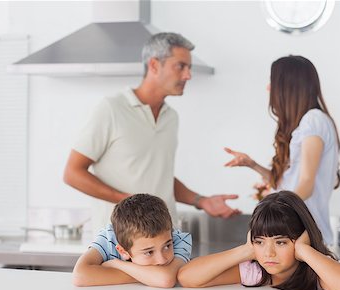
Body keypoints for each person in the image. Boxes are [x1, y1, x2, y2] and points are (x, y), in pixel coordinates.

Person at [64, 32, 240, 235]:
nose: (188, 75)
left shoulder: (171, 117)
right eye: (181, 66)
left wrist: (202, 201)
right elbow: (73, 173)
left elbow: (160, 176)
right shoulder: (112, 109)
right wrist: (130, 203)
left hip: (164, 239)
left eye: (189, 68)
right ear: (155, 65)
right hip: (120, 241)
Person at [224, 55, 340, 245]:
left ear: (288, 86)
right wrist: (252, 164)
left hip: (307, 237)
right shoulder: (305, 123)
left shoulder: (314, 120)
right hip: (298, 235)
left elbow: (306, 184)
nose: (269, 88)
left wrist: (273, 210)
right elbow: (287, 184)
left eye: (273, 82)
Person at [178, 191, 340, 290]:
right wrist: (246, 250)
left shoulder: (315, 271)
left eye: (280, 242)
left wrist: (305, 251)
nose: (268, 253)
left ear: (301, 239)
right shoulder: (255, 272)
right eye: (259, 242)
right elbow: (187, 277)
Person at [73, 193, 192, 288]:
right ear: (123, 251)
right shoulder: (110, 238)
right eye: (149, 252)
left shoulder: (179, 240)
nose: (162, 259)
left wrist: (117, 264)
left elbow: (165, 280)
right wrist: (149, 277)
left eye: (167, 246)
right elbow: (80, 276)